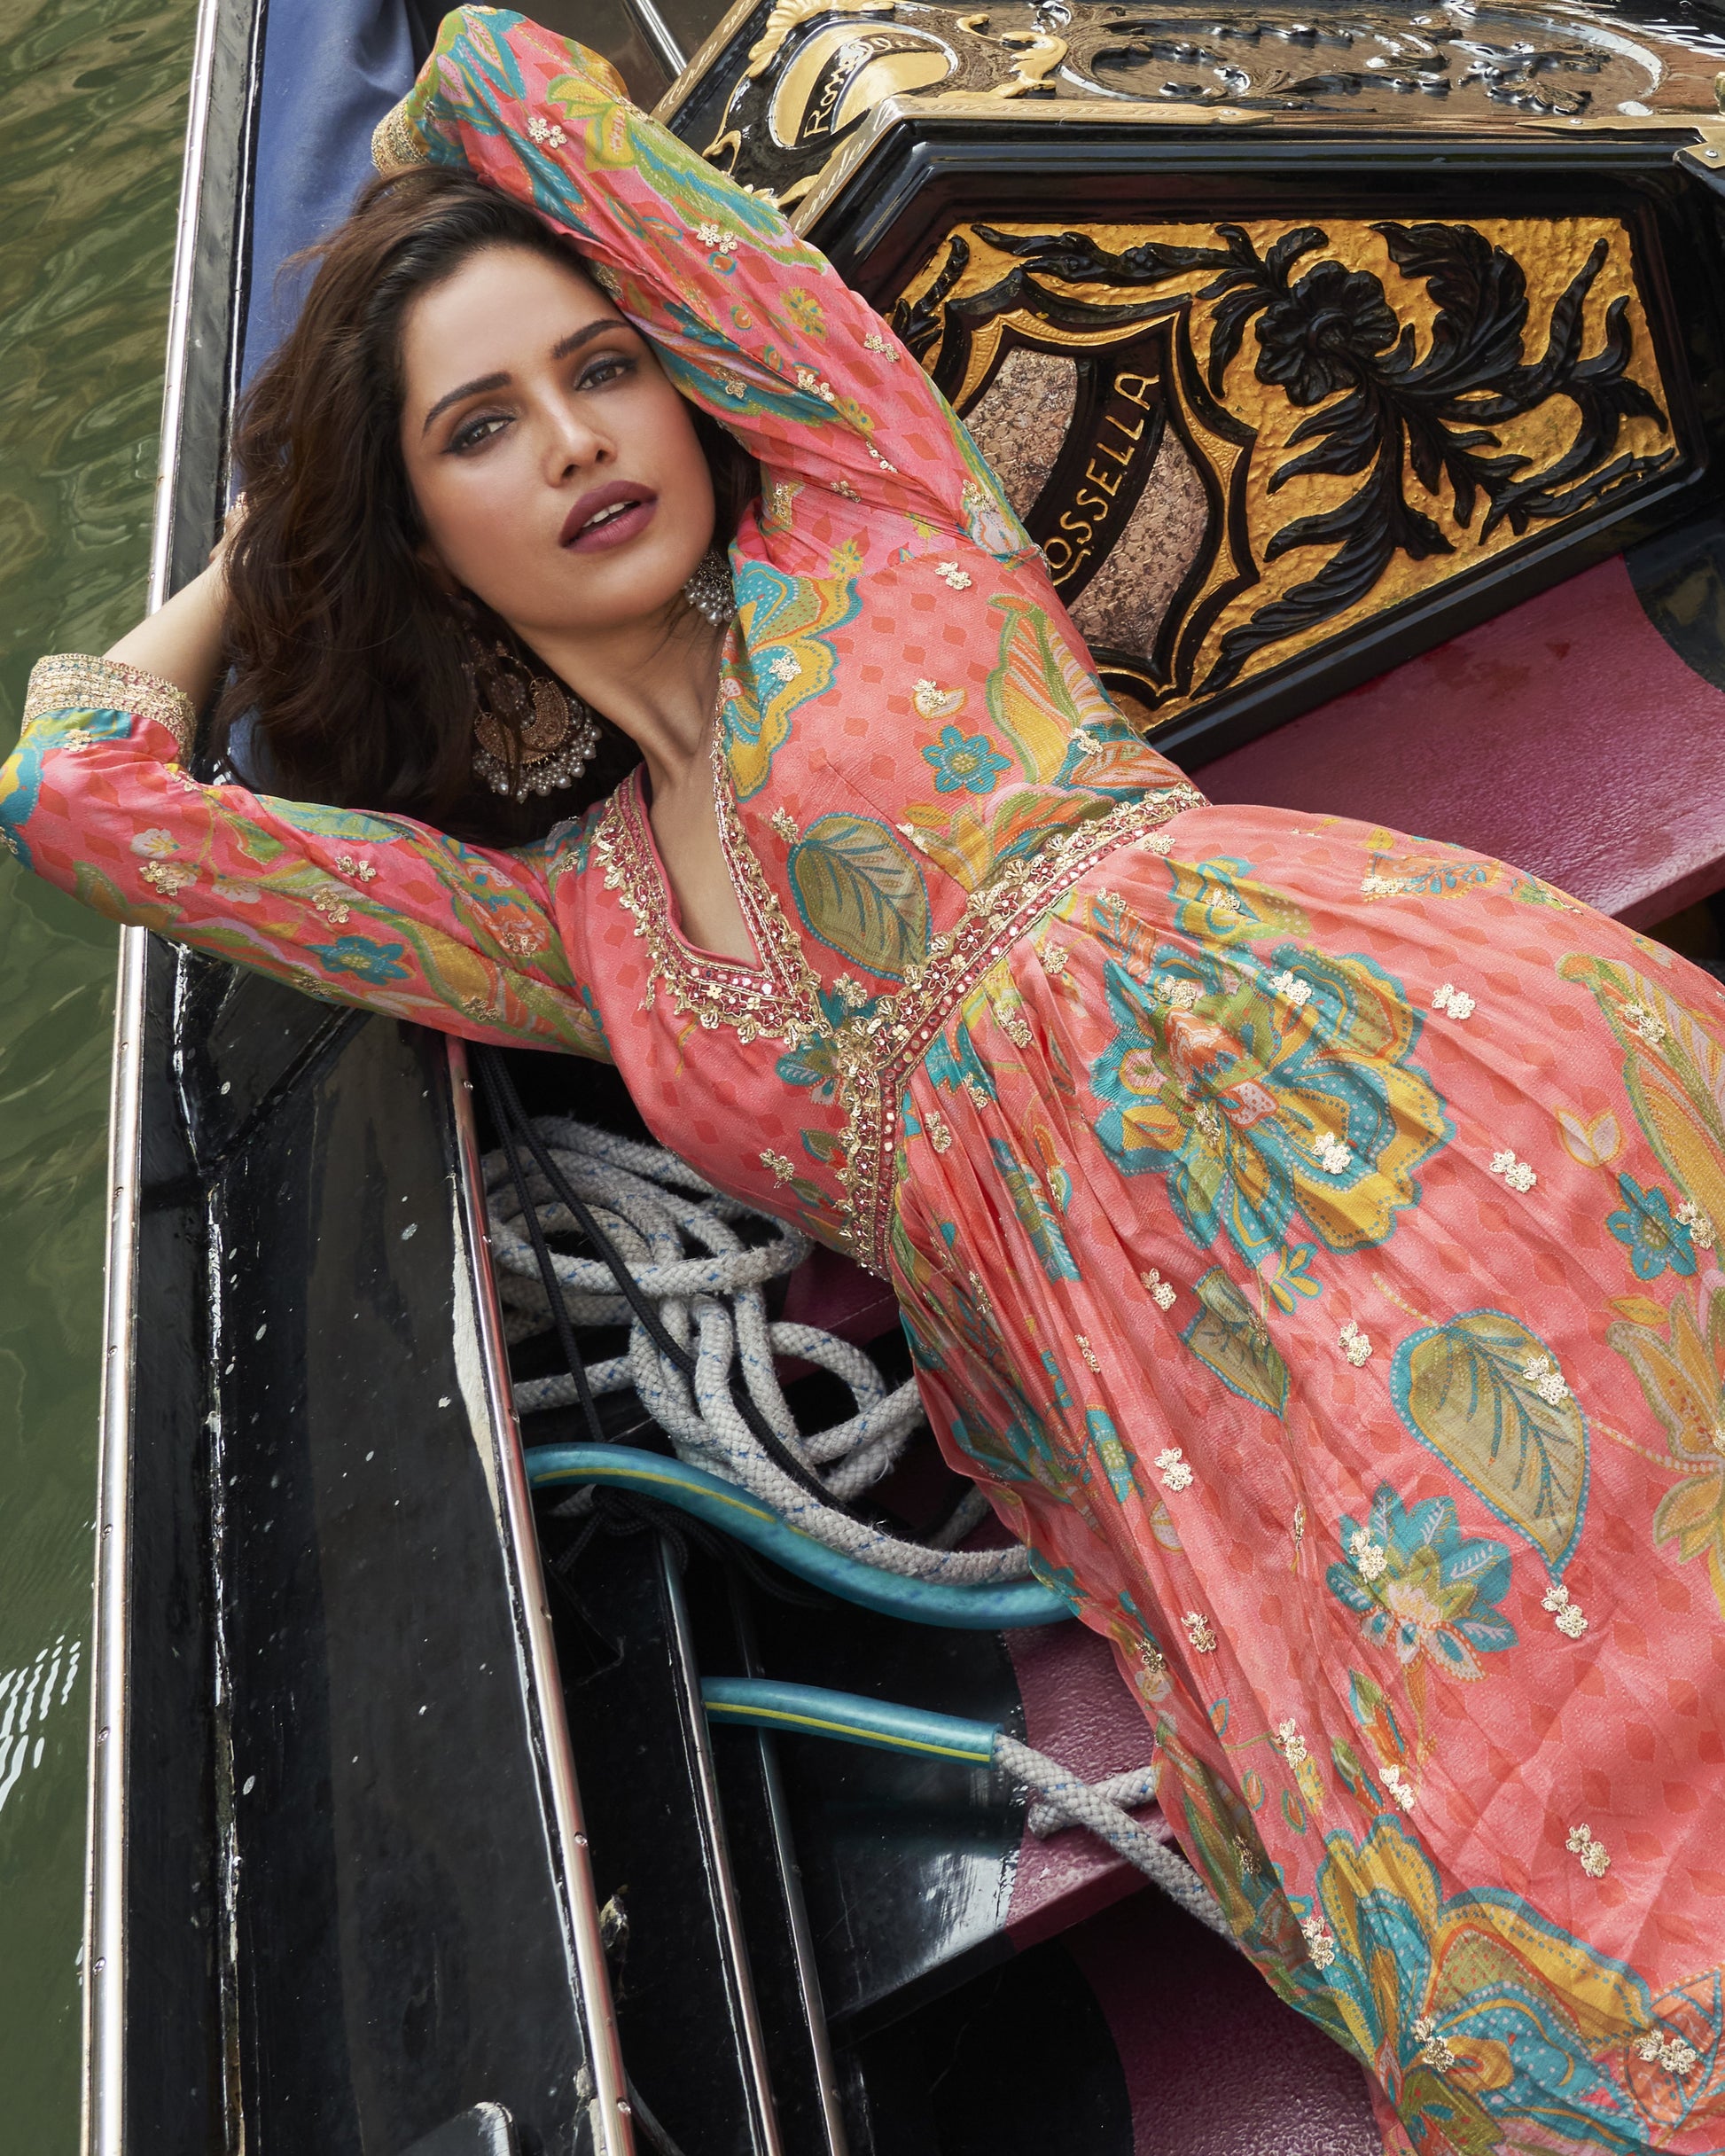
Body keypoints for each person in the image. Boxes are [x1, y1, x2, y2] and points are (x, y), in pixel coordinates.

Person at [7, 11, 1725, 2147]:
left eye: (599, 369)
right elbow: (78, 803)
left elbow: (505, 74)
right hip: (1145, 1412)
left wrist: (419, 271)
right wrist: (271, 550)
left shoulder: (867, 511)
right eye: (481, 431)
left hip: (1398, 1104)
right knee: (1512, 1936)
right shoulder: (581, 933)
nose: (571, 443)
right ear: (424, 527)